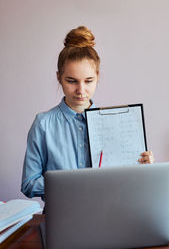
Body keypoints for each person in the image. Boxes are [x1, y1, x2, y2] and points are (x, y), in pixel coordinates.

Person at [21, 26, 154, 201]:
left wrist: (144, 168)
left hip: (107, 212)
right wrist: (72, 183)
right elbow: (29, 184)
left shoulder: (115, 124)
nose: (81, 90)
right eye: (71, 81)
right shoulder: (43, 124)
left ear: (97, 77)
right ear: (58, 77)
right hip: (61, 215)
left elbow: (126, 183)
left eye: (88, 81)